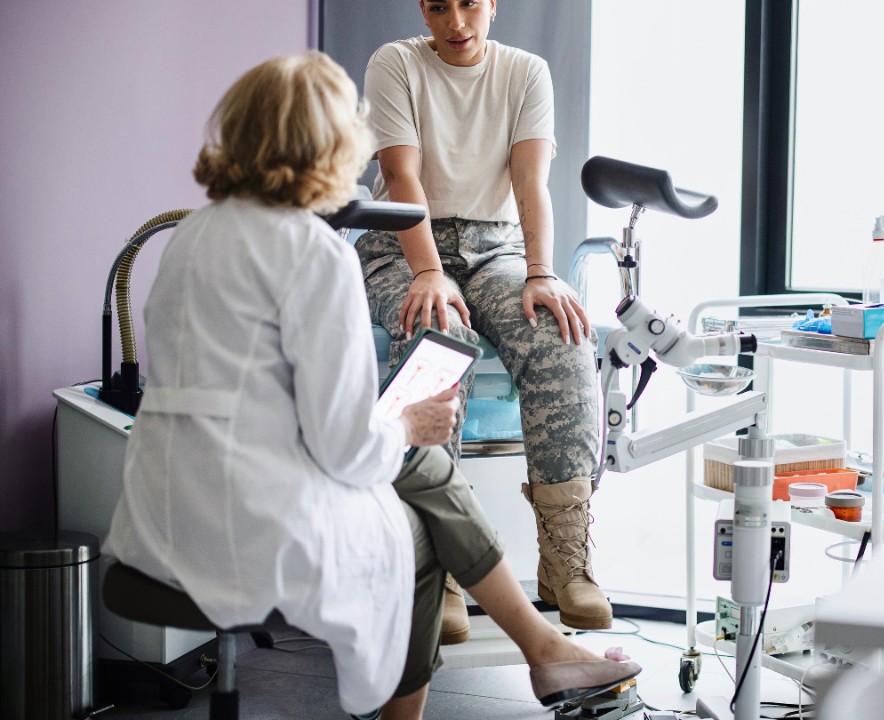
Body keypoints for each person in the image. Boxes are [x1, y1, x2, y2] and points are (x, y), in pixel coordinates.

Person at [102, 51, 638, 720]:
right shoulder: (312, 252)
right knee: (417, 526)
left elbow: (251, 396)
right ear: (336, 146)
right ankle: (519, 658)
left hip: (159, 523)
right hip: (245, 533)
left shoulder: (190, 237)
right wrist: (410, 425)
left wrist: (399, 433)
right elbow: (347, 449)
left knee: (418, 468)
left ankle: (544, 647)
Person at [357, 0, 612, 638]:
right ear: (423, 8)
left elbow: (530, 180)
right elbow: (399, 173)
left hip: (495, 247)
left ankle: (567, 561)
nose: (456, 22)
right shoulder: (396, 63)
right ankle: (433, 564)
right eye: (439, 6)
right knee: (438, 335)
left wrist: (542, 271)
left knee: (561, 333)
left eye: (470, 3)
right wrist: (427, 271)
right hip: (401, 244)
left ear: (493, 4)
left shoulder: (526, 72)